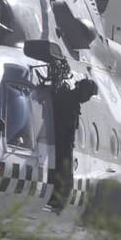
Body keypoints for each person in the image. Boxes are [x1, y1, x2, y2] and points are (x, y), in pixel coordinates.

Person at [48, 77, 97, 211]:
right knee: (65, 175)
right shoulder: (69, 101)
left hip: (62, 142)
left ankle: (56, 201)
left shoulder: (70, 100)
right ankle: (56, 202)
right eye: (88, 95)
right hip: (62, 143)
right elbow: (64, 126)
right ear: (83, 91)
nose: (88, 99)